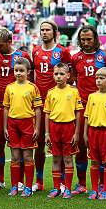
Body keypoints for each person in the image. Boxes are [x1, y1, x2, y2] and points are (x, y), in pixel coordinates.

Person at [71, 25, 106, 195]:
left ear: (95, 38)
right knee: (81, 146)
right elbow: (73, 78)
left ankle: (103, 186)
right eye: (83, 40)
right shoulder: (76, 58)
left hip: (102, 107)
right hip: (82, 107)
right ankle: (82, 183)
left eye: (89, 39)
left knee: (103, 148)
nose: (86, 42)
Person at [0, 27, 33, 191]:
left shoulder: (23, 57)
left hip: (19, 107)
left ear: (9, 42)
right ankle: (0, 180)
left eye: (0, 45)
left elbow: (31, 81)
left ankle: (20, 181)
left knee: (20, 147)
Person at [32, 20, 72, 191]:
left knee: (61, 146)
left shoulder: (62, 52)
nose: (44, 32)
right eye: (42, 30)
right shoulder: (36, 51)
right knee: (38, 143)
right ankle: (39, 181)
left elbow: (69, 75)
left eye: (48, 30)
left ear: (55, 33)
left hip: (58, 104)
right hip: (39, 104)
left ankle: (62, 182)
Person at [3, 57, 42, 198]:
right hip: (13, 124)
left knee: (27, 156)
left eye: (21, 71)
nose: (18, 73)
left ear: (28, 72)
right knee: (15, 157)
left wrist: (37, 128)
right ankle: (14, 186)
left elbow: (38, 109)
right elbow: (6, 108)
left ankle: (27, 187)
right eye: (16, 70)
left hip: (27, 123)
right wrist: (5, 127)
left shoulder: (32, 88)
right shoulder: (10, 88)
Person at [44, 63, 83, 199]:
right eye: (56, 74)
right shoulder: (51, 93)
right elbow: (47, 114)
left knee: (67, 158)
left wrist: (76, 133)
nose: (58, 77)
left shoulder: (73, 91)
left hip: (68, 127)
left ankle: (67, 188)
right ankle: (56, 188)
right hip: (54, 128)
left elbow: (78, 113)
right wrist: (47, 133)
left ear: (68, 75)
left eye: (61, 74)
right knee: (55, 158)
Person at [83, 67, 106, 200]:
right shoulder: (91, 96)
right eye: (97, 78)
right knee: (94, 162)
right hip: (93, 132)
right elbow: (86, 117)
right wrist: (85, 134)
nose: (98, 81)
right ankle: (94, 190)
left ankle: (105, 190)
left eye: (101, 78)